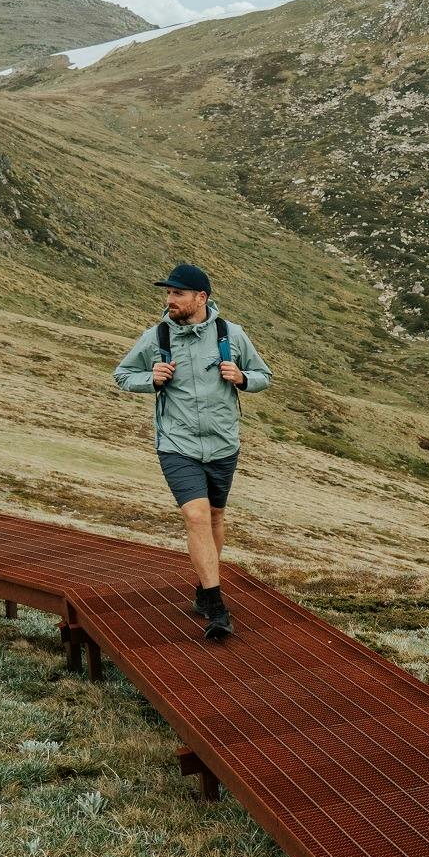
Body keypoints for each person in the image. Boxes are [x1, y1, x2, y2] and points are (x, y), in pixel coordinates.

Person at [111, 263, 272, 640]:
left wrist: (242, 378)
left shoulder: (231, 334)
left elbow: (264, 376)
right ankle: (216, 608)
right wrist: (150, 379)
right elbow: (122, 374)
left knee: (215, 516)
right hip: (176, 444)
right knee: (196, 516)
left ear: (201, 298)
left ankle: (203, 586)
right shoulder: (157, 336)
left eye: (178, 293)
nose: (170, 300)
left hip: (223, 444)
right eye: (168, 293)